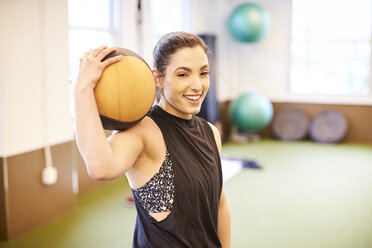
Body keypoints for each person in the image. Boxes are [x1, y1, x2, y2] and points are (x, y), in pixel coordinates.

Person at [72, 32, 231, 247]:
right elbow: (100, 167)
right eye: (183, 74)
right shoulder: (144, 130)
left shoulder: (210, 133)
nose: (197, 85)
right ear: (158, 78)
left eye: (203, 73)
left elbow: (219, 205)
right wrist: (83, 89)